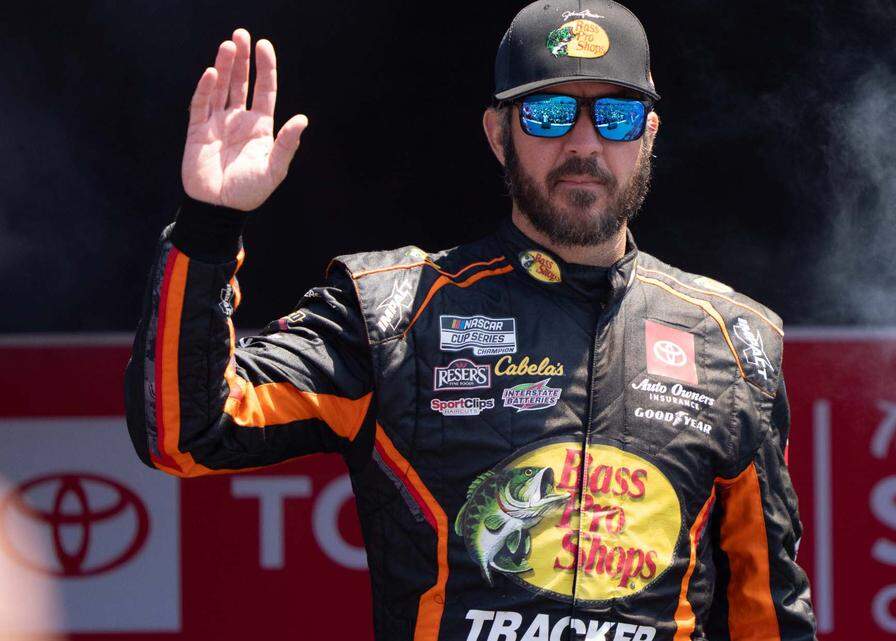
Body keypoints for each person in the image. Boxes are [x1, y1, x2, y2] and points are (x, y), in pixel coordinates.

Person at [124, 1, 817, 639]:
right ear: (498, 134)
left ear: (649, 134)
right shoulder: (396, 311)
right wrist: (211, 225)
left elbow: (770, 611)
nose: (585, 143)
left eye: (615, 116)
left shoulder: (732, 340)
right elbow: (187, 431)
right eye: (548, 114)